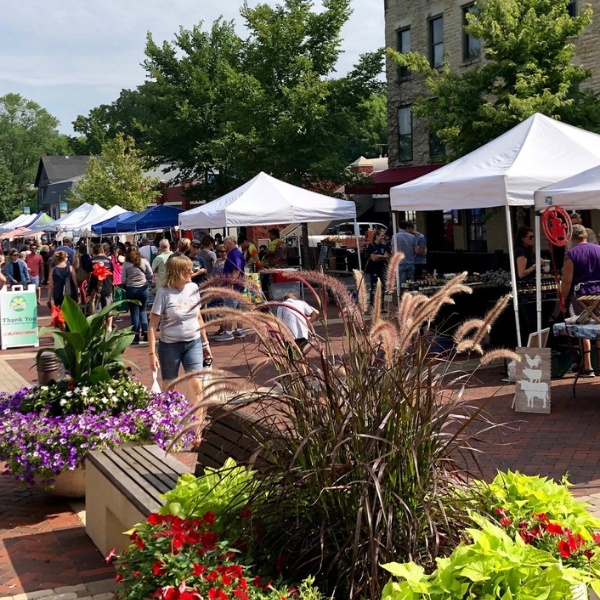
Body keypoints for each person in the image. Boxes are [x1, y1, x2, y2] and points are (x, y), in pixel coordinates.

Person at [148, 255, 212, 415]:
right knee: (170, 386)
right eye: (187, 269)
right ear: (177, 272)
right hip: (170, 345)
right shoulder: (163, 293)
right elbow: (152, 325)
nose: (192, 271)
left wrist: (205, 344)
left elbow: (199, 317)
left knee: (197, 385)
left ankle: (196, 428)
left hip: (193, 342)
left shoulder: (193, 288)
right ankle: (167, 422)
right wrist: (151, 353)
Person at [560, 224, 600, 376]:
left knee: (583, 329)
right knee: (598, 327)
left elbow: (567, 281)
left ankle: (588, 366)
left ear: (571, 237)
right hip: (599, 293)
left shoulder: (571, 254)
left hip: (581, 294)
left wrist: (563, 299)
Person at [215, 236, 246, 342]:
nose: (224, 245)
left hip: (233, 286)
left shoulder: (234, 254)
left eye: (225, 243)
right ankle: (239, 330)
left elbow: (236, 270)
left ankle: (228, 332)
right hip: (238, 286)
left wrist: (230, 285)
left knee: (228, 309)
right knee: (237, 310)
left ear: (229, 242)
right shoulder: (236, 253)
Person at [121, 246, 153, 344]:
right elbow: (150, 273)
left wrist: (125, 285)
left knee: (134, 312)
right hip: (143, 288)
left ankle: (135, 337)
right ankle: (145, 330)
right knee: (143, 310)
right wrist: (148, 280)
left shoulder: (126, 264)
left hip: (131, 289)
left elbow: (123, 279)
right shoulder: (144, 261)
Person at [276, 291, 319, 357]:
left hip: (289, 336)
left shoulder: (281, 306)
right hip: (302, 334)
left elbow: (279, 323)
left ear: (284, 300)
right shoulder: (301, 303)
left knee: (292, 358)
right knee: (302, 356)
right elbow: (316, 312)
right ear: (295, 298)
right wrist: (309, 320)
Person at [364, 229, 390, 311]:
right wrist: (381, 257)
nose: (383, 237)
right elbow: (373, 258)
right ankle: (373, 305)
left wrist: (379, 256)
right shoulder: (371, 246)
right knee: (374, 287)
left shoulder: (383, 246)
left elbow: (386, 256)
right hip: (374, 270)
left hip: (382, 269)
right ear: (377, 236)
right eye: (381, 235)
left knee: (382, 288)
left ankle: (381, 306)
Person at [88, 243, 114, 320]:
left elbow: (88, 275)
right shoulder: (108, 261)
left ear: (93, 251)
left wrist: (89, 286)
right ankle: (108, 327)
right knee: (108, 309)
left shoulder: (91, 261)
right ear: (102, 251)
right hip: (107, 287)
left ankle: (99, 327)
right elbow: (112, 274)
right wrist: (111, 283)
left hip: (95, 288)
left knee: (97, 310)